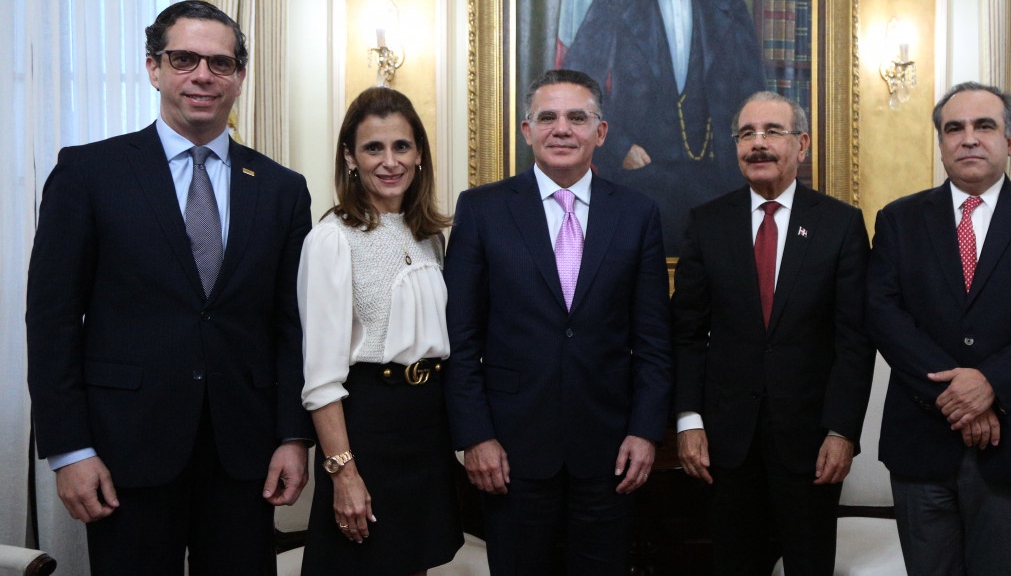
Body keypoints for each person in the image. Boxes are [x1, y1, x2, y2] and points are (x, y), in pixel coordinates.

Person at [25, 0, 313, 573]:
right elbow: (52, 320)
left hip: (245, 456)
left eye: (220, 63)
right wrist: (69, 450)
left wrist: (292, 436)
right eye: (184, 59)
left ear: (240, 77)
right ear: (154, 68)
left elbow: (291, 325)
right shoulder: (89, 173)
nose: (203, 75)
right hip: (125, 452)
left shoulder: (281, 188)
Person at [443, 69, 673, 574]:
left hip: (610, 450)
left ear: (601, 132)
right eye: (547, 117)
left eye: (577, 118)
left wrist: (645, 431)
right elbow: (460, 339)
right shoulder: (482, 210)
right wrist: (475, 436)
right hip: (509, 450)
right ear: (528, 131)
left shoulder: (637, 213)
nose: (562, 129)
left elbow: (654, 340)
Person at [867, 81, 1011, 575]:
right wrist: (958, 396)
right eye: (955, 128)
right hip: (920, 443)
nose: (968, 138)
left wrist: (991, 384)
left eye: (984, 126)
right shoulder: (899, 219)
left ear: (1010, 139)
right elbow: (883, 314)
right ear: (941, 142)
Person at [672, 91, 875, 575]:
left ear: (801, 145)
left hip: (811, 442)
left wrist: (842, 430)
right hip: (725, 443)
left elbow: (855, 340)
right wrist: (688, 419)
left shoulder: (840, 224)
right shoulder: (707, 222)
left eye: (772, 132)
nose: (758, 143)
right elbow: (686, 332)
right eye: (747, 134)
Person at [297, 87, 464, 574]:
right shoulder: (332, 239)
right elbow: (320, 378)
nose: (390, 162)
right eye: (373, 148)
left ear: (419, 154)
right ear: (350, 157)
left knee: (416, 563)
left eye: (401, 146)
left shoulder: (429, 235)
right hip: (368, 428)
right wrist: (343, 473)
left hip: (426, 427)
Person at [562, 0, 766, 254]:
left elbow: (756, 99)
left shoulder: (730, 9)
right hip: (639, 179)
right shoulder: (613, 5)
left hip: (718, 181)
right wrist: (619, 148)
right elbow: (574, 90)